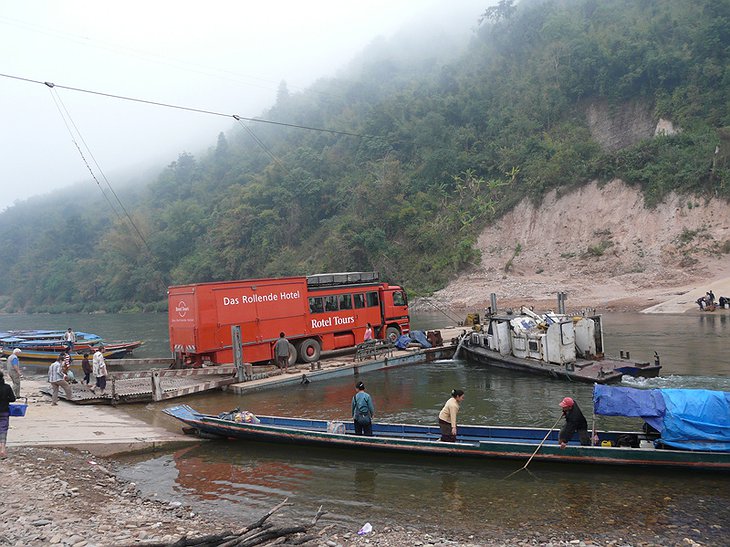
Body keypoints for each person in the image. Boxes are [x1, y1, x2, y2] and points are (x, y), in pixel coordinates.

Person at [0, 371, 16, 458]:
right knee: (3, 430)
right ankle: (2, 449)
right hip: (4, 412)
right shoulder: (7, 387)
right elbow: (13, 399)